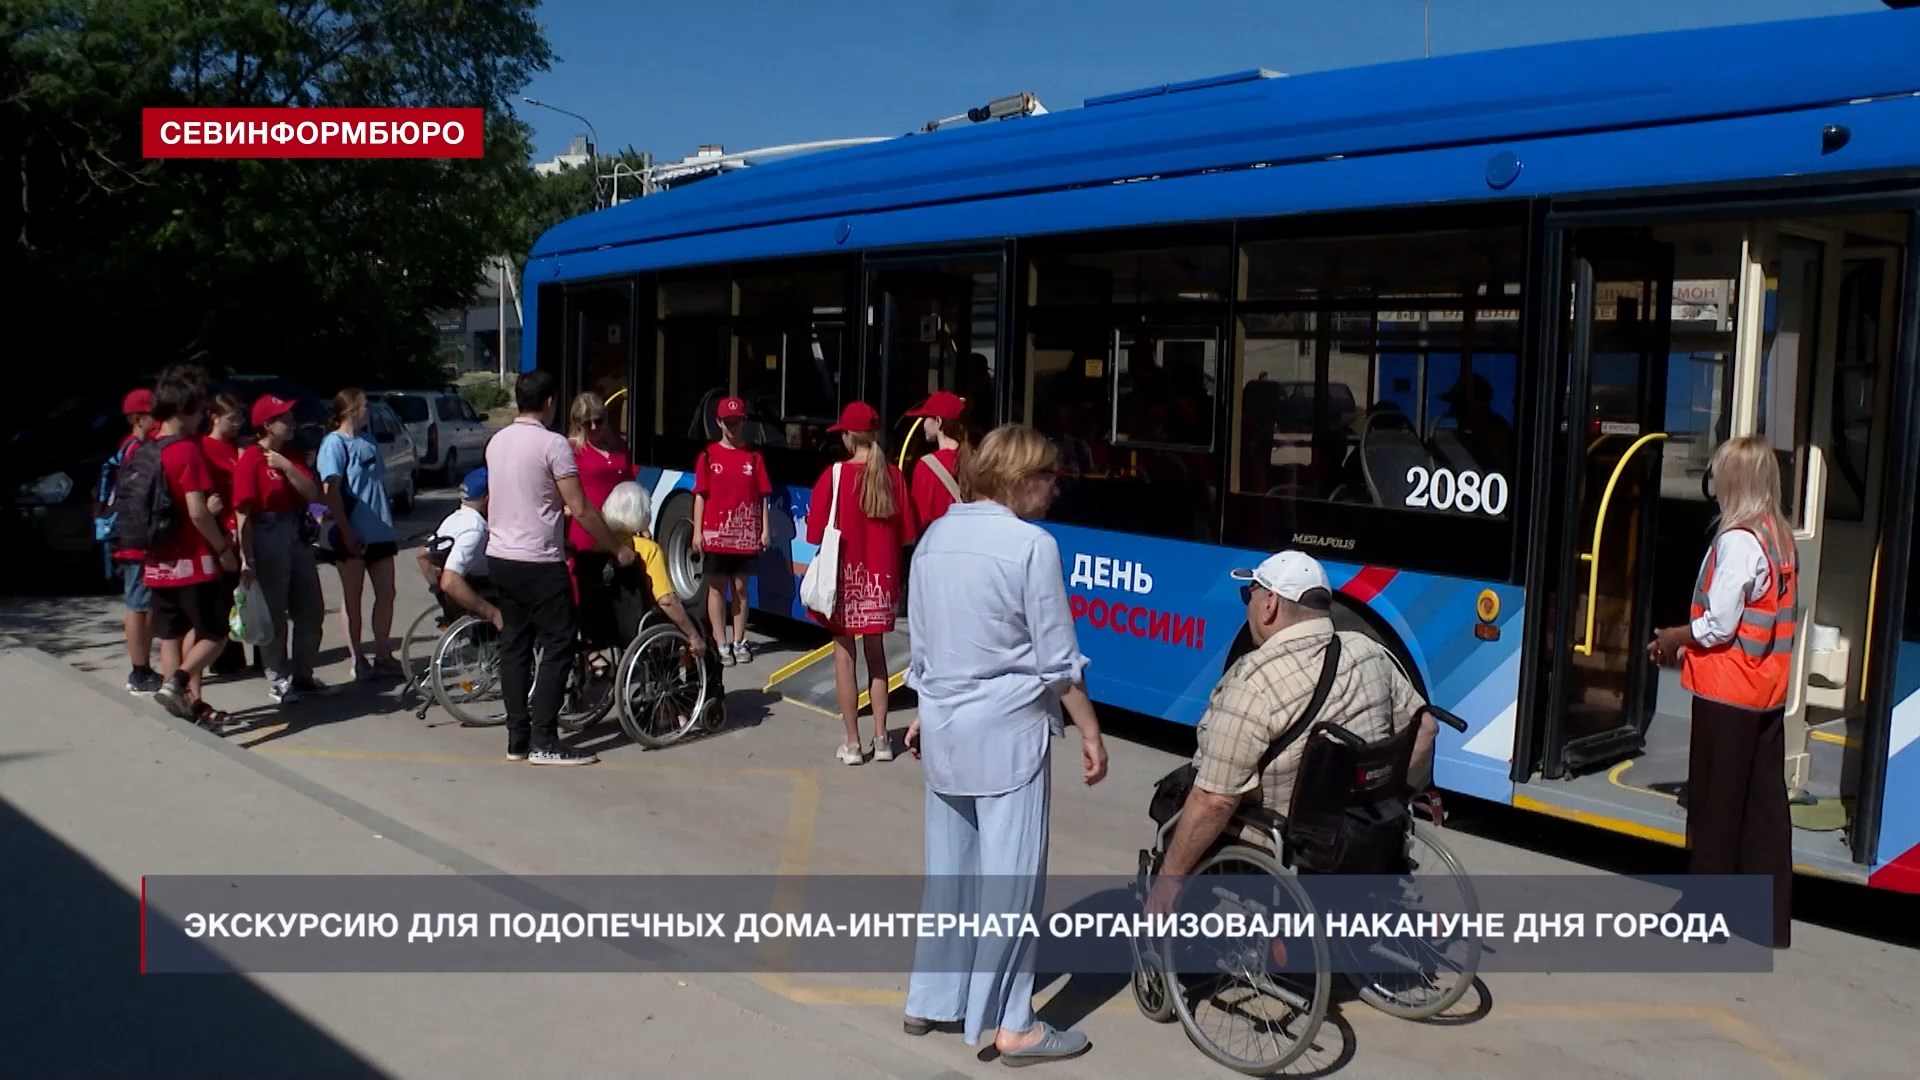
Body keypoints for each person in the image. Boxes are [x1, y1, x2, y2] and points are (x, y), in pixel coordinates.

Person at [900, 423, 1105, 1063]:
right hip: (1009, 730)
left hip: (944, 726)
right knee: (1012, 882)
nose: (1055, 490)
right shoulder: (1030, 545)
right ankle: (1015, 1022)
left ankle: (932, 998)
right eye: (1048, 477)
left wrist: (921, 713)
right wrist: (1091, 729)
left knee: (949, 874)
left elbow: (924, 643)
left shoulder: (935, 536)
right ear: (1018, 481)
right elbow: (1056, 658)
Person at [1149, 552, 1434, 906]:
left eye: (1248, 594)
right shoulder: (1369, 652)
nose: (1247, 606)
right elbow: (1426, 728)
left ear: (1270, 604)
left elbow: (1216, 800)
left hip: (1285, 843)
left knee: (1178, 810)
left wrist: (1169, 880)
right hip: (1368, 832)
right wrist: (1392, 793)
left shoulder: (1253, 683)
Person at [1647, 435, 1796, 950]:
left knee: (1715, 805)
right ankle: (1767, 921)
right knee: (1763, 807)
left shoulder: (1738, 541)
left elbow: (1719, 625)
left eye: (1719, 473)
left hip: (1726, 692)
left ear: (1735, 480)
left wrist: (1672, 639)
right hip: (1766, 691)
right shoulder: (1778, 535)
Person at [485, 369, 633, 766]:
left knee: (515, 645)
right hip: (538, 559)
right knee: (560, 642)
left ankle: (517, 739)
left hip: (500, 556)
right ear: (550, 402)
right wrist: (616, 547)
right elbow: (581, 507)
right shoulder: (553, 445)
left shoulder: (496, 441)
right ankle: (545, 739)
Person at [805, 402, 917, 765]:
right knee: (877, 657)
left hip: (843, 582)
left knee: (844, 658)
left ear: (851, 436)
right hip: (882, 583)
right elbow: (907, 535)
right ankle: (883, 739)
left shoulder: (834, 475)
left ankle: (853, 742)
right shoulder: (894, 476)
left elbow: (813, 533)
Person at [142, 367, 243, 731]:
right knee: (215, 631)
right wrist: (223, 549)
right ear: (183, 410)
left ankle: (184, 706)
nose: (202, 417)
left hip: (156, 560)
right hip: (193, 559)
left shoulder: (147, 448)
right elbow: (199, 512)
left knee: (170, 634)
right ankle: (179, 683)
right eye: (199, 410)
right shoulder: (187, 451)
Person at [233, 395, 326, 704]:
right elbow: (243, 511)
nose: (292, 423)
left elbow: (313, 494)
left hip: (295, 531)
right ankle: (278, 678)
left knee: (310, 607)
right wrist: (247, 557)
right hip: (267, 531)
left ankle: (303, 674)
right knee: (274, 610)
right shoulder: (250, 459)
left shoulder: (292, 455)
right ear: (267, 425)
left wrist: (287, 466)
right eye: (284, 418)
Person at [318, 388, 401, 680]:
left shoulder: (368, 440)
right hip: (352, 531)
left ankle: (383, 653)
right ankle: (358, 658)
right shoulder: (334, 444)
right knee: (353, 596)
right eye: (365, 405)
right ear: (352, 410)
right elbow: (332, 492)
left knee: (387, 592)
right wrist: (345, 530)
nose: (369, 410)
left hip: (380, 529)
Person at [692, 396, 771, 665]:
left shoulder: (754, 457)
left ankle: (739, 640)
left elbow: (762, 496)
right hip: (716, 533)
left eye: (737, 422)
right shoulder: (708, 455)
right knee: (717, 588)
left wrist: (764, 530)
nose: (733, 427)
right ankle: (721, 641)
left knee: (740, 587)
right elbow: (701, 494)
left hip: (745, 534)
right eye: (728, 422)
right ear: (718, 423)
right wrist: (697, 532)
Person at [99, 387, 160, 694]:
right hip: (136, 537)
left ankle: (143, 667)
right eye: (154, 413)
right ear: (138, 418)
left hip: (134, 535)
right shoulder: (135, 449)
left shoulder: (133, 446)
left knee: (143, 604)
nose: (159, 418)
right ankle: (139, 671)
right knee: (139, 605)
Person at [599, 481, 707, 651]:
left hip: (605, 622)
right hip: (639, 625)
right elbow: (667, 601)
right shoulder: (648, 550)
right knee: (698, 629)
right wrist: (693, 636)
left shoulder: (599, 545)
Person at [566, 392, 633, 657]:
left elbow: (630, 483)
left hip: (618, 524)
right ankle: (589, 651)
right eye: (587, 423)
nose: (594, 427)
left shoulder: (619, 446)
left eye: (599, 420)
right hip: (585, 528)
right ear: (577, 423)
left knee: (617, 591)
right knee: (583, 591)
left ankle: (614, 642)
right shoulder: (572, 449)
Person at [202, 394, 250, 677]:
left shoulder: (238, 448)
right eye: (231, 419)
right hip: (219, 528)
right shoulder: (203, 447)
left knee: (242, 592)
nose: (236, 425)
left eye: (239, 419)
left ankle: (245, 653)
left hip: (239, 525)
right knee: (222, 596)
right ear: (215, 417)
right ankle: (221, 655)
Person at [418, 468, 501, 629]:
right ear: (488, 499)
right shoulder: (475, 529)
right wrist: (493, 614)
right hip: (484, 585)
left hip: (471, 582)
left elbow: (422, 555)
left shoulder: (452, 519)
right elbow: (450, 581)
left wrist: (443, 599)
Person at [905, 390, 971, 527]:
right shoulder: (977, 460)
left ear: (938, 421)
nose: (923, 424)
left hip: (937, 543)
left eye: (925, 418)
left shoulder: (925, 466)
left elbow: (919, 519)